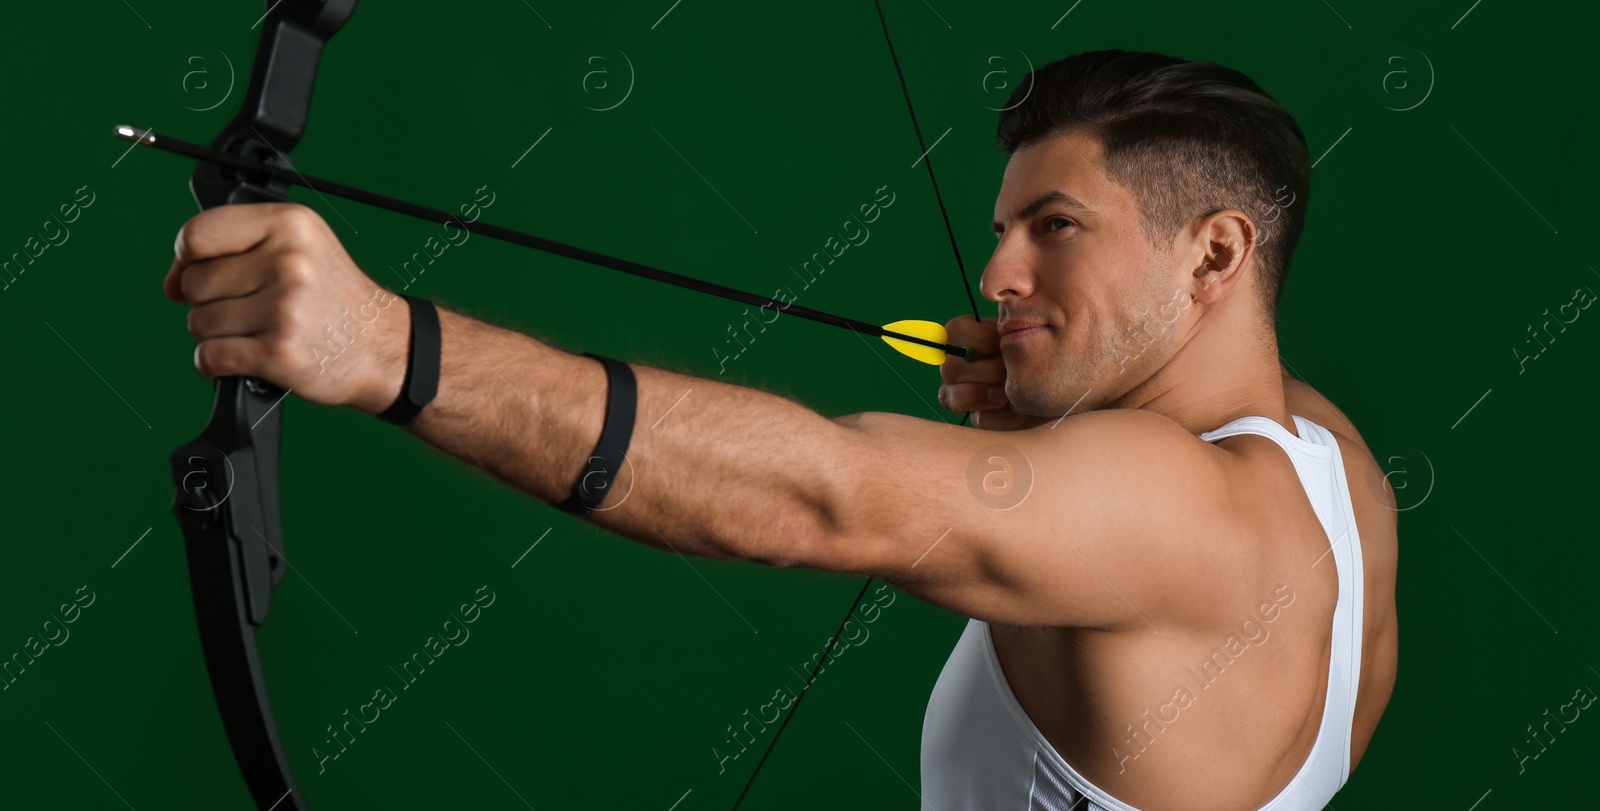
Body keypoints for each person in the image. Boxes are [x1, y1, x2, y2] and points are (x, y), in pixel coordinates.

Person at [163, 49, 1397, 810]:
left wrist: (381, 345)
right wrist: (1047, 400)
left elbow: (829, 495)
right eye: (1003, 230)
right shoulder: (1333, 469)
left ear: (1216, 249)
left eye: (1055, 228)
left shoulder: (1171, 511)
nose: (998, 272)